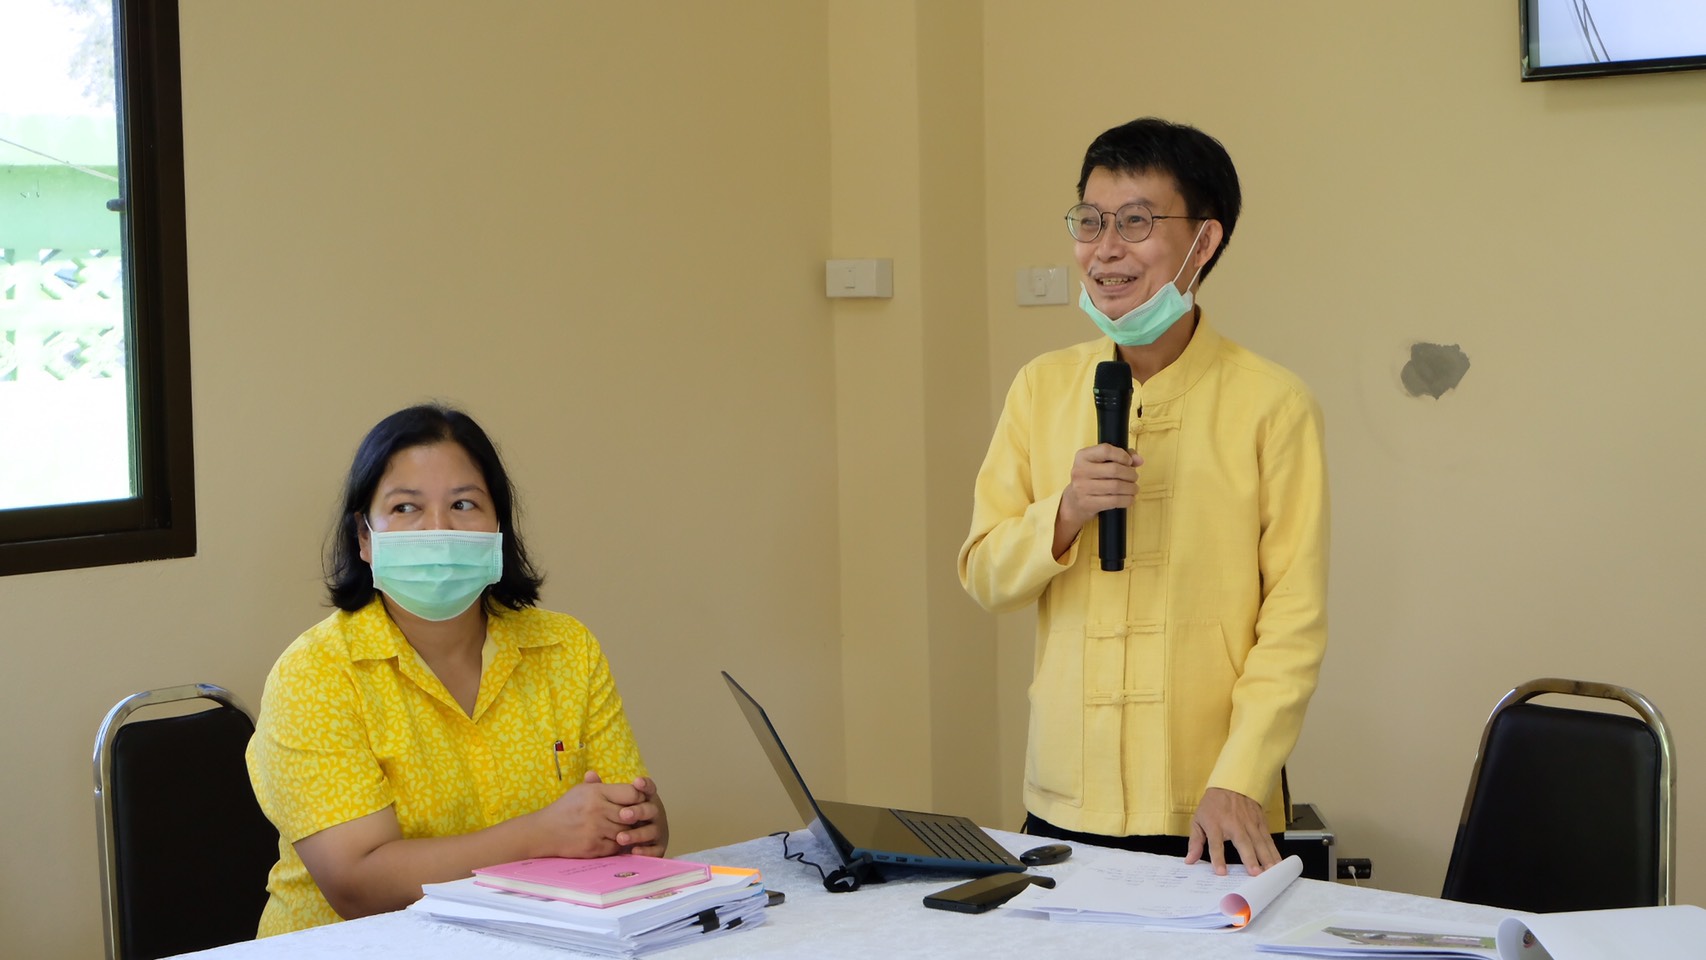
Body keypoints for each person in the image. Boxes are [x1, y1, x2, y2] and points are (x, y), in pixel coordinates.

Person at [958, 118, 1328, 876]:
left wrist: (1241, 777)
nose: (1105, 249)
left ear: (1204, 241)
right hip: (1066, 796)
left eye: (1136, 222)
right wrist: (1065, 513)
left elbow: (1294, 618)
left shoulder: (1272, 403)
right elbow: (986, 576)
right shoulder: (1041, 387)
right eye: (1090, 222)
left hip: (1210, 807)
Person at [246, 403, 667, 935]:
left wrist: (639, 825)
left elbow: (621, 826)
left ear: (498, 528)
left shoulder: (567, 648)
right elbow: (358, 884)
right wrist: (540, 835)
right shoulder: (316, 673)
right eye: (405, 508)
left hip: (536, 939)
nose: (439, 530)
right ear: (364, 537)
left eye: (464, 504)